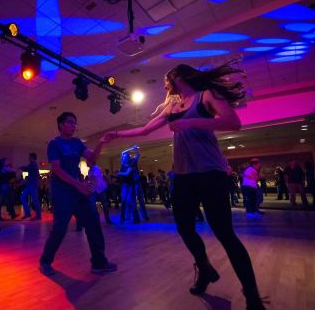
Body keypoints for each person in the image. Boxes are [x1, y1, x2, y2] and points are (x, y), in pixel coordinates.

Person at [103, 61, 266, 309]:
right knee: (185, 229)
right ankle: (205, 267)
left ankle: (252, 294)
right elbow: (146, 130)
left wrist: (191, 122)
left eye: (165, 79)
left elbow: (233, 122)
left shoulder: (206, 95)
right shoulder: (172, 105)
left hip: (211, 174)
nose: (164, 84)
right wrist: (116, 135)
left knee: (225, 234)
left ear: (177, 76)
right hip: (183, 176)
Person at [39, 112, 117, 276]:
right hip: (62, 190)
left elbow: (91, 159)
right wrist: (78, 185)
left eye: (75, 123)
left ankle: (98, 262)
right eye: (70, 122)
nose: (74, 126)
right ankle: (45, 261)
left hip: (77, 189)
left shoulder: (77, 143)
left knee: (93, 224)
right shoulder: (54, 143)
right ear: (61, 124)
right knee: (60, 227)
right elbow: (57, 169)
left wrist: (101, 144)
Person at [20, 153, 41, 220]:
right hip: (32, 184)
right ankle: (29, 214)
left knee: (27, 198)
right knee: (33, 199)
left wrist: (20, 167)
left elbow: (27, 168)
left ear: (32, 157)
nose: (28, 158)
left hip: (32, 184)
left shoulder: (33, 163)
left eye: (29, 157)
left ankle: (33, 215)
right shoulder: (33, 164)